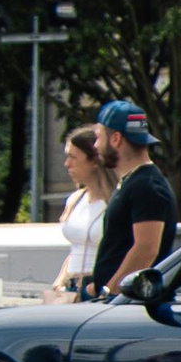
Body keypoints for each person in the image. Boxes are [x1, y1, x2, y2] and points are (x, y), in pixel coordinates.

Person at [87, 102, 178, 298]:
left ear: (116, 139)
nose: (95, 146)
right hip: (123, 305)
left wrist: (109, 292)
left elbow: (146, 249)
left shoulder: (147, 186)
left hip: (132, 306)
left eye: (98, 137)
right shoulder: (134, 182)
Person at [54, 125, 114, 299]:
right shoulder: (75, 200)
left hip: (97, 286)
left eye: (73, 157)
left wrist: (96, 288)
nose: (67, 164)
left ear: (94, 161)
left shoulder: (113, 202)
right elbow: (76, 248)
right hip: (70, 286)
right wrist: (59, 281)